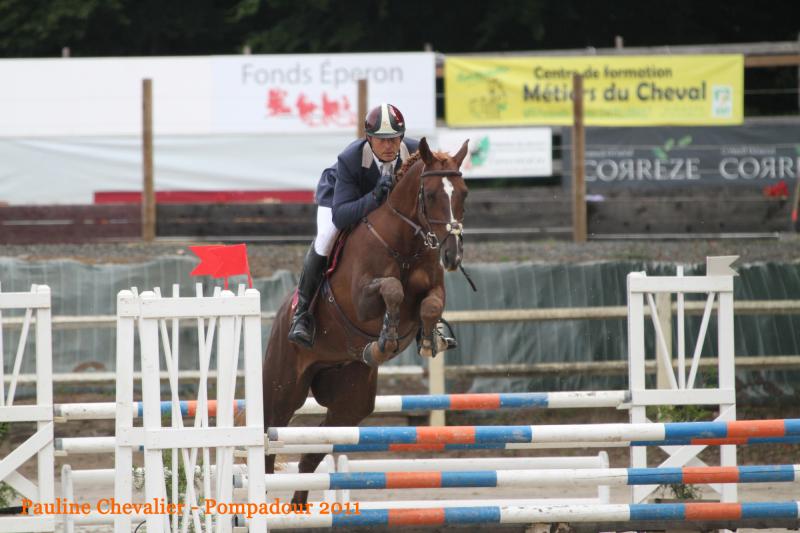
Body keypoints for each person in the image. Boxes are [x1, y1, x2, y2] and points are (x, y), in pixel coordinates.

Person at [288, 103, 420, 348]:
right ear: (368, 138)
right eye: (382, 140)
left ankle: (427, 318)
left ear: (402, 137)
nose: (389, 146)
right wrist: (374, 197)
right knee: (326, 238)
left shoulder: (415, 153)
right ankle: (302, 314)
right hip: (339, 197)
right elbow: (341, 216)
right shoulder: (350, 158)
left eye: (394, 139)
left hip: (381, 203)